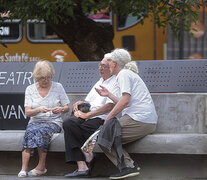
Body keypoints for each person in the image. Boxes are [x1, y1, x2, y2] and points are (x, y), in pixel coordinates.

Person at [95, 48, 158, 179]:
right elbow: (125, 101)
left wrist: (109, 116)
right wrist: (109, 95)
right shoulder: (127, 74)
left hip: (139, 119)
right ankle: (129, 165)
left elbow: (125, 100)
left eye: (109, 62)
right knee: (105, 136)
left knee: (104, 136)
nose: (107, 65)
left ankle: (128, 167)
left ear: (114, 63)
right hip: (143, 120)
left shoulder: (124, 74)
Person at [63, 54, 120, 178]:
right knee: (68, 123)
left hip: (103, 119)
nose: (100, 68)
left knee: (76, 131)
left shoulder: (115, 82)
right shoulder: (99, 81)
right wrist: (81, 103)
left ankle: (86, 160)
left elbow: (109, 106)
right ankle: (83, 164)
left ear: (111, 67)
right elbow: (89, 102)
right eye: (100, 65)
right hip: (89, 117)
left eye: (103, 66)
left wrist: (87, 114)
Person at [18, 60, 70, 178]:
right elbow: (27, 112)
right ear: (37, 77)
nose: (46, 80)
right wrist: (39, 109)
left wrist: (61, 109)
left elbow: (67, 107)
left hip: (53, 121)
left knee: (41, 131)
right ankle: (24, 168)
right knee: (30, 132)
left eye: (48, 77)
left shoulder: (58, 87)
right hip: (35, 121)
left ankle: (41, 167)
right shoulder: (30, 89)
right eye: (42, 78)